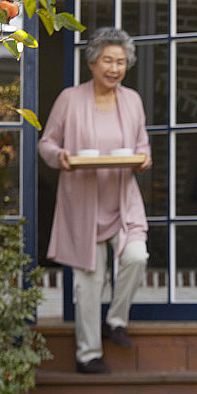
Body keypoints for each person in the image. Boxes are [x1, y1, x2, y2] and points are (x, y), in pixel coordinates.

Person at [38, 27, 152, 375]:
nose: (115, 68)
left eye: (121, 62)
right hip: (82, 202)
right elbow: (46, 144)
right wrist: (60, 157)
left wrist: (144, 159)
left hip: (122, 199)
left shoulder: (131, 99)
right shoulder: (70, 99)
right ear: (92, 62)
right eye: (108, 60)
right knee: (88, 282)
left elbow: (141, 145)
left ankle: (116, 319)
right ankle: (88, 354)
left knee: (137, 256)